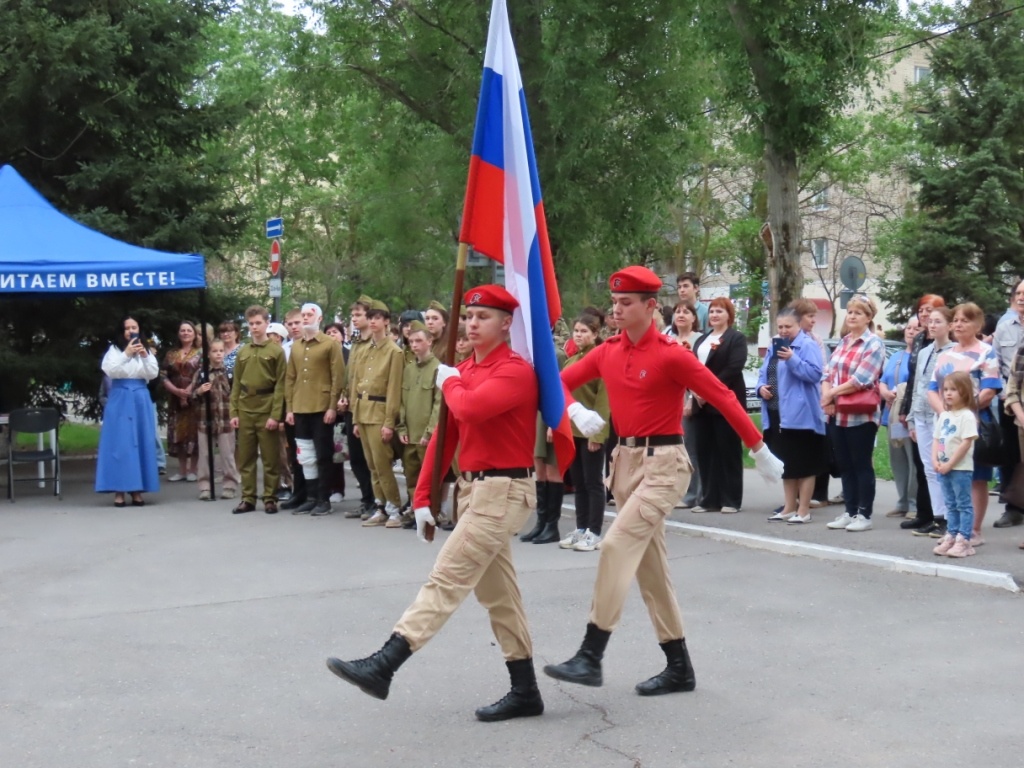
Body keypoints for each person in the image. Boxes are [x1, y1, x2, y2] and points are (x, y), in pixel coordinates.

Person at [543, 266, 784, 698]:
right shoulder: (606, 352)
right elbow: (554, 383)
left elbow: (722, 396)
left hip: (665, 464)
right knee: (651, 571)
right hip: (624, 465)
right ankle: (679, 667)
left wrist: (758, 448)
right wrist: (575, 413)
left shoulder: (672, 354)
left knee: (615, 545)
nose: (616, 310)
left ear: (651, 306)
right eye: (614, 303)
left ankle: (591, 653)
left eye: (626, 303)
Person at [327, 285, 548, 722]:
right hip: (473, 490)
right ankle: (525, 690)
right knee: (498, 595)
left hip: (505, 490)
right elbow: (446, 439)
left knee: (447, 578)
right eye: (469, 316)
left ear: (506, 324)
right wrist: (425, 495)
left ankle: (384, 663)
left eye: (483, 316)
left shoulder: (515, 372)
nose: (471, 323)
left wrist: (450, 382)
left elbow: (469, 411)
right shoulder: (463, 370)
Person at [928, 302, 1001, 543]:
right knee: (950, 474)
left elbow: (989, 390)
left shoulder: (985, 352)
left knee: (976, 476)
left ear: (978, 325)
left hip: (974, 421)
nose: (958, 324)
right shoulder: (945, 354)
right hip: (947, 425)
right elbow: (931, 389)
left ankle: (974, 530)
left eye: (965, 320)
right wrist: (946, 413)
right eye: (956, 320)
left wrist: (961, 412)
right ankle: (955, 529)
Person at [822, 296, 886, 532]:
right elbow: (826, 373)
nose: (852, 316)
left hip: (861, 415)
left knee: (861, 464)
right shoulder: (844, 341)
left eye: (858, 313)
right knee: (844, 464)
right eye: (850, 312)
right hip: (837, 414)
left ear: (868, 318)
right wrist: (827, 396)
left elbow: (862, 379)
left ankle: (864, 514)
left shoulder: (873, 344)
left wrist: (831, 395)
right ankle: (849, 511)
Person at [758, 308, 825, 524]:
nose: (784, 331)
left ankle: (803, 509)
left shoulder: (806, 345)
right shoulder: (775, 345)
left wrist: (793, 359)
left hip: (801, 415)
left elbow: (815, 374)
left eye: (789, 327)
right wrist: (761, 388)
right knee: (786, 463)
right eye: (780, 327)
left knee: (803, 463)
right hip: (777, 412)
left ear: (798, 326)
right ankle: (788, 507)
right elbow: (764, 371)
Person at [283, 302, 346, 517]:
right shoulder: (297, 345)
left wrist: (332, 407)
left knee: (323, 454)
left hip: (321, 407)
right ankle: (310, 497)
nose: (306, 318)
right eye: (303, 315)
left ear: (319, 318)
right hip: (300, 406)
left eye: (310, 315)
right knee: (304, 455)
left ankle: (323, 498)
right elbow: (290, 377)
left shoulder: (329, 344)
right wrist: (290, 408)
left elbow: (338, 376)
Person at [349, 300, 406, 527]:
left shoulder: (394, 352)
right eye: (370, 317)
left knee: (383, 465)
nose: (372, 321)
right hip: (363, 411)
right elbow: (357, 383)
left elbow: (393, 389)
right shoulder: (366, 349)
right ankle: (380, 505)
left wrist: (389, 422)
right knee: (372, 465)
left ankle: (394, 509)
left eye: (377, 318)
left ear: (386, 322)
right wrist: (355, 417)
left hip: (380, 412)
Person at [690, 297, 748, 513]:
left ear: (729, 315)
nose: (714, 315)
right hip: (701, 404)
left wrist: (709, 389)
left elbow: (733, 368)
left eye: (720, 311)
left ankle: (731, 499)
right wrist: (695, 390)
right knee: (706, 451)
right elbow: (692, 368)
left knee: (727, 450)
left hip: (724, 401)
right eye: (712, 311)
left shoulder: (736, 339)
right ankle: (709, 498)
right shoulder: (702, 340)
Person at [558, 313, 610, 552]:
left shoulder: (599, 360)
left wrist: (597, 434)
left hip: (591, 430)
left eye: (584, 332)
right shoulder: (571, 361)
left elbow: (603, 400)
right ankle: (580, 528)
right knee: (578, 481)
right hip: (572, 430)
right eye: (576, 331)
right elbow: (562, 397)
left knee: (593, 482)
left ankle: (594, 531)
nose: (579, 335)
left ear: (595, 334)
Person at [95, 316, 160, 507]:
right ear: (121, 331)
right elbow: (110, 370)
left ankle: (138, 490)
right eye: (127, 328)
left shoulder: (145, 350)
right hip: (121, 396)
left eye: (134, 327)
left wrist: (145, 356)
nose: (131, 331)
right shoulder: (114, 350)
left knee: (140, 441)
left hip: (140, 396)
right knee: (121, 443)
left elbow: (153, 373)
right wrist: (127, 353)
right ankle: (119, 491)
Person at [231, 306, 286, 514]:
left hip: (266, 406)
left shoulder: (276, 351)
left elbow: (281, 385)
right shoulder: (243, 351)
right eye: (251, 324)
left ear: (266, 323)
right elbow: (236, 383)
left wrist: (275, 415)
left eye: (258, 323)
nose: (254, 327)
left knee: (270, 457)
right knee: (246, 457)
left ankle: (270, 498)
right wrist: (234, 412)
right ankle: (248, 498)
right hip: (245, 407)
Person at [906, 307, 955, 537]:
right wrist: (912, 418)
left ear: (949, 325)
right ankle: (937, 517)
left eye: (938, 321)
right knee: (929, 469)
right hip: (922, 416)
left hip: (941, 416)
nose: (932, 325)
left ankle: (949, 518)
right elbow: (917, 386)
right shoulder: (925, 351)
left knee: (944, 466)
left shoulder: (953, 352)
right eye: (930, 321)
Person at [898, 294, 947, 529]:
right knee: (924, 466)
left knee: (940, 465)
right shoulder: (919, 341)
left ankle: (944, 517)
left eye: (931, 311)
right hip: (919, 411)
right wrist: (908, 413)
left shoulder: (949, 347)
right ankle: (928, 514)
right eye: (922, 311)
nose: (925, 316)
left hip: (940, 411)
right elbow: (915, 380)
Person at [396, 320, 441, 528]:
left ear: (430, 342)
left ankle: (431, 514)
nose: (414, 345)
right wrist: (401, 428)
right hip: (409, 434)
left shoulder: (438, 368)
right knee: (411, 476)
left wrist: (430, 432)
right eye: (411, 341)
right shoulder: (409, 369)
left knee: (428, 479)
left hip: (425, 435)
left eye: (418, 341)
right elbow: (403, 402)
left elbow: (438, 405)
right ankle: (416, 512)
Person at [930, 371, 979, 558]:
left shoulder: (966, 416)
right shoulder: (944, 416)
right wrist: (935, 460)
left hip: (960, 469)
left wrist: (950, 463)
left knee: (963, 504)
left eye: (954, 390)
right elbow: (936, 439)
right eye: (946, 389)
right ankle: (951, 534)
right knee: (950, 503)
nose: (948, 394)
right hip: (943, 468)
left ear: (965, 392)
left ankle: (964, 539)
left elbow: (966, 443)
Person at [339, 296, 379, 519]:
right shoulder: (355, 342)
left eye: (358, 315)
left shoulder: (374, 343)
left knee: (370, 458)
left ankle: (377, 501)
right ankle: (366, 499)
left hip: (369, 407)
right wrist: (344, 395)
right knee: (355, 458)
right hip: (352, 406)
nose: (354, 319)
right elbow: (350, 374)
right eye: (353, 315)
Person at [879, 318, 921, 519]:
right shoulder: (896, 356)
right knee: (898, 460)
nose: (911, 331)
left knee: (913, 460)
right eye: (909, 328)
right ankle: (902, 500)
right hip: (893, 416)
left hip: (909, 416)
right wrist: (885, 392)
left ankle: (913, 503)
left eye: (916, 328)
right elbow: (881, 382)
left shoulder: (921, 356)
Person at [992, 278, 1024, 529]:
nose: (1022, 297)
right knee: (1011, 456)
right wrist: (1010, 399)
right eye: (1019, 293)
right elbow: (996, 366)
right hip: (1010, 402)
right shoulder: (1004, 327)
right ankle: (1013, 508)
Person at [190, 339, 240, 501]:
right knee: (204, 455)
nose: (218, 354)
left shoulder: (230, 372)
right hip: (205, 420)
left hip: (225, 420)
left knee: (227, 454)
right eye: (214, 351)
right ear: (208, 354)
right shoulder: (202, 373)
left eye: (221, 351)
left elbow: (236, 394)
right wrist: (199, 391)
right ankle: (205, 486)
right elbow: (192, 396)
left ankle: (230, 485)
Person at [669, 300, 703, 510]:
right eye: (677, 311)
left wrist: (692, 398)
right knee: (671, 449)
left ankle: (693, 494)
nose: (681, 315)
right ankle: (675, 490)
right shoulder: (667, 339)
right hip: (669, 399)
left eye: (686, 311)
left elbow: (698, 372)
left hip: (689, 397)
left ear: (693, 317)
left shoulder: (699, 340)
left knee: (690, 448)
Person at [160, 320, 202, 482]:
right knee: (178, 433)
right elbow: (163, 374)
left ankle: (193, 469)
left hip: (195, 398)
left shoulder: (201, 353)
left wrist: (190, 390)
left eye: (189, 330)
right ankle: (182, 470)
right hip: (175, 398)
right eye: (182, 330)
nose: (185, 333)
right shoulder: (171, 353)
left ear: (194, 334)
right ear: (178, 333)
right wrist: (176, 391)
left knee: (194, 433)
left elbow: (202, 372)